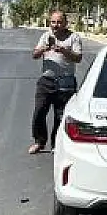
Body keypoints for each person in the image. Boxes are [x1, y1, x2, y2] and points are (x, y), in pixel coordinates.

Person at [29, 12, 83, 153]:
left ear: (65, 23)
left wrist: (63, 50)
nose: (55, 25)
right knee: (39, 112)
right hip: (46, 81)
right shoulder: (46, 36)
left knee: (60, 116)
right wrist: (44, 48)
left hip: (65, 82)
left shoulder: (73, 38)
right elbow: (34, 55)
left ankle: (56, 144)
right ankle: (39, 141)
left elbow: (78, 58)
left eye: (59, 22)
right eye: (53, 22)